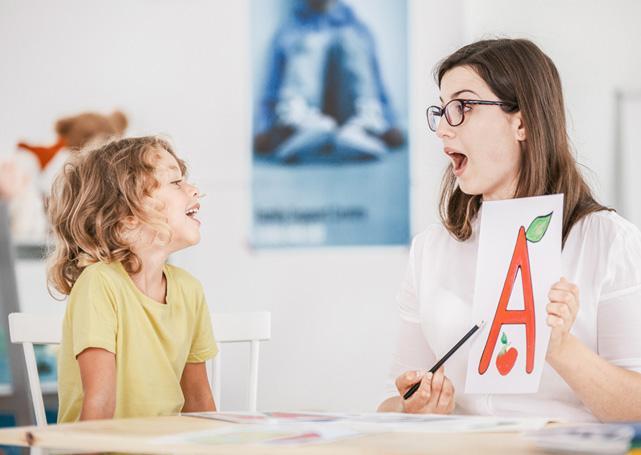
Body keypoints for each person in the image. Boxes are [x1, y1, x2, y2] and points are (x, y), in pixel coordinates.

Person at [378, 39, 641, 422]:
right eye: (442, 110)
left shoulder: (609, 241)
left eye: (463, 107)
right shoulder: (431, 250)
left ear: (522, 121)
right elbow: (390, 402)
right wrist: (413, 405)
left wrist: (563, 349)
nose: (443, 130)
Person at [48, 136, 218, 422]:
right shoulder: (99, 284)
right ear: (127, 216)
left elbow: (199, 400)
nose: (194, 191)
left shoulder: (189, 290)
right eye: (175, 183)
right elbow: (100, 403)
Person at [254, 0, 404, 163]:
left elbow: (376, 82)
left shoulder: (358, 29)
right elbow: (273, 86)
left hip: (348, 116)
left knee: (350, 40)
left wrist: (391, 122)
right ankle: (295, 129)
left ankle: (365, 127)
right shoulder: (290, 30)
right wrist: (264, 128)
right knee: (309, 42)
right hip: (308, 120)